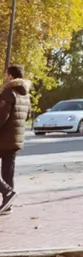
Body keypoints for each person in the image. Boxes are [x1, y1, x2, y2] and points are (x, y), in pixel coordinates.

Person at [0, 65, 31, 215]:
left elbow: (2, 116)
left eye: (6, 74)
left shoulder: (8, 92)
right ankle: (8, 203)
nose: (5, 77)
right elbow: (28, 116)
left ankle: (7, 192)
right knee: (8, 171)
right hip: (16, 138)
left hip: (3, 138)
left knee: (7, 171)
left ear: (11, 76)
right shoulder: (25, 95)